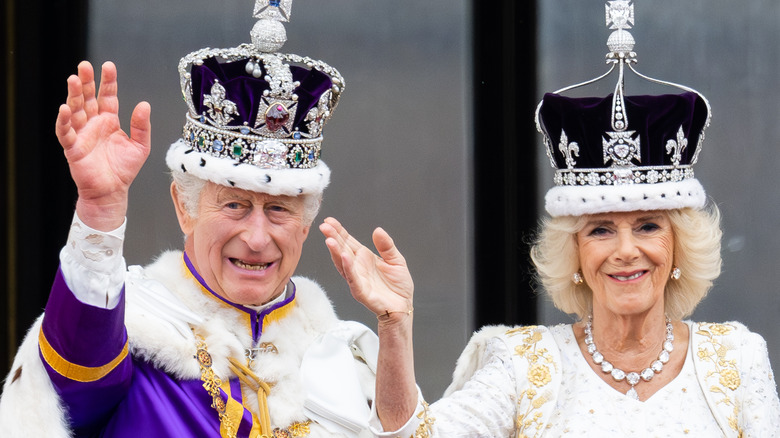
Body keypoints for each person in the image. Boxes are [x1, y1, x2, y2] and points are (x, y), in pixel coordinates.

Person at [320, 3, 780, 437]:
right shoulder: (523, 365)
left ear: (679, 244)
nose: (625, 250)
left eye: (648, 225)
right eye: (600, 229)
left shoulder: (735, 361)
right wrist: (396, 323)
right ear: (574, 252)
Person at [0, 1, 380, 437]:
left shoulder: (339, 358)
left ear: (306, 224)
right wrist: (100, 212)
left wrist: (397, 324)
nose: (257, 239)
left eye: (278, 209)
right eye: (234, 205)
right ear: (185, 208)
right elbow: (76, 369)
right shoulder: (133, 332)